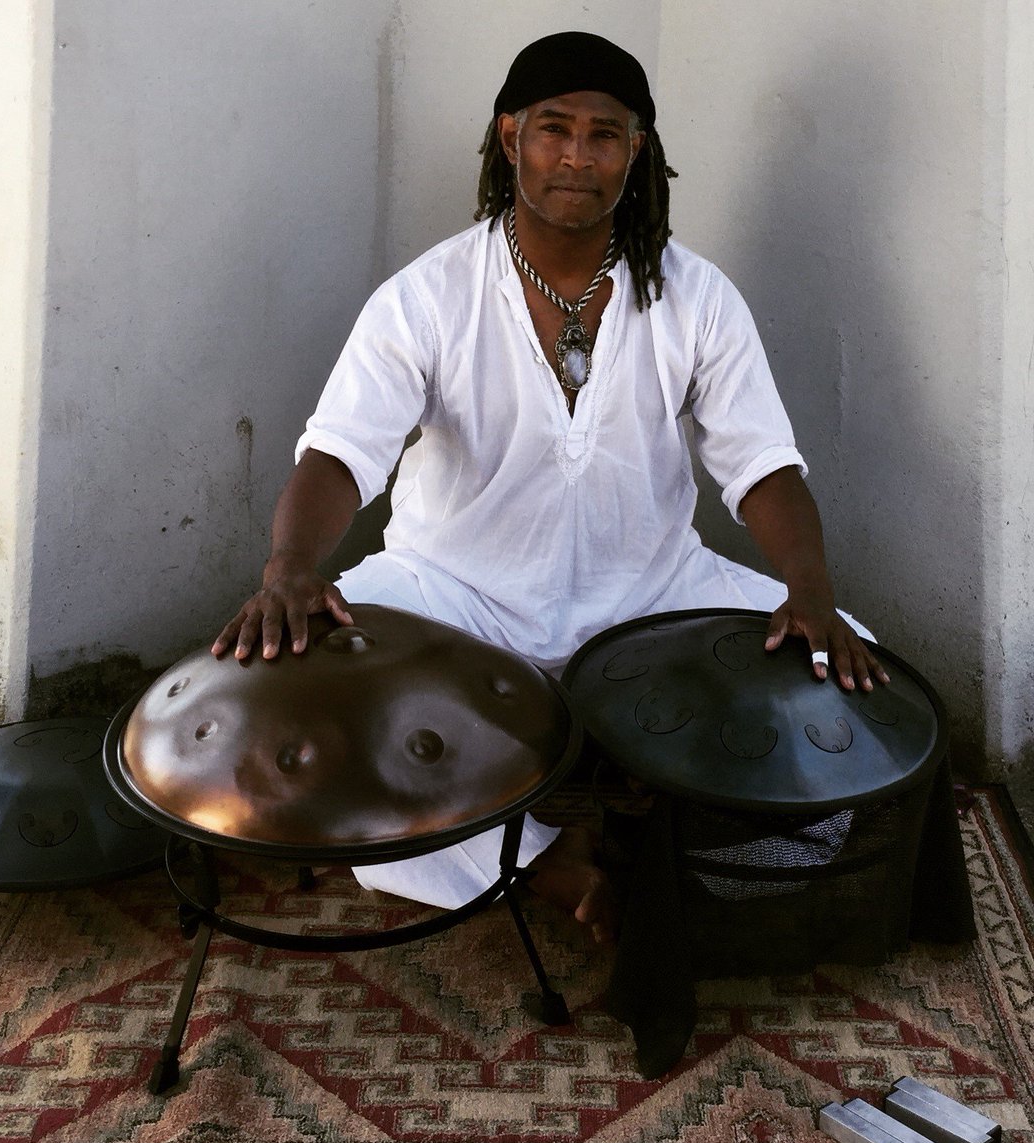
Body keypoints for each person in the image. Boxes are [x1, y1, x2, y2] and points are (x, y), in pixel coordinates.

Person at [211, 31, 888, 942]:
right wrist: (290, 567)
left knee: (860, 691)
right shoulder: (429, 294)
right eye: (553, 129)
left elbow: (763, 467)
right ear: (508, 137)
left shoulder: (697, 297)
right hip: (453, 601)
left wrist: (813, 598)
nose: (577, 156)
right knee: (286, 704)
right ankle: (554, 868)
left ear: (637, 150)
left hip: (650, 600)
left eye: (604, 134)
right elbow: (340, 453)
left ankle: (655, 857)